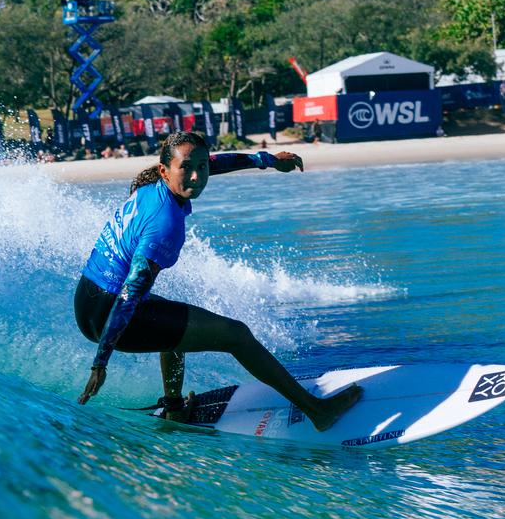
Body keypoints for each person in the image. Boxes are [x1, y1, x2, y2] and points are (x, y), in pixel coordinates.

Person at [74, 132, 362, 429]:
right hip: (109, 314)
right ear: (165, 170)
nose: (197, 176)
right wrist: (100, 363)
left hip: (87, 299)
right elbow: (130, 295)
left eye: (202, 166)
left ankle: (174, 408)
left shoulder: (150, 186)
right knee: (235, 335)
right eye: (187, 167)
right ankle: (317, 411)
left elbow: (215, 163)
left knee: (177, 321)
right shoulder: (165, 224)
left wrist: (267, 160)